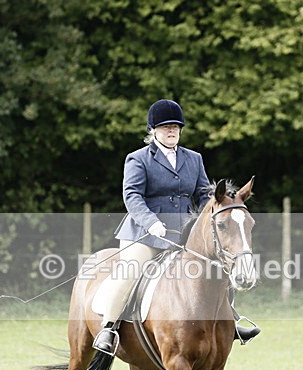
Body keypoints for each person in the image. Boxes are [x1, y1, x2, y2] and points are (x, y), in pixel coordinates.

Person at [92, 99, 260, 354]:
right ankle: (109, 328)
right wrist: (151, 222)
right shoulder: (138, 159)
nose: (171, 131)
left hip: (184, 233)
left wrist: (216, 212)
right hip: (145, 233)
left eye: (176, 127)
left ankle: (232, 321)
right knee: (130, 271)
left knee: (218, 270)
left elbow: (206, 196)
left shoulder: (193, 158)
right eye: (165, 127)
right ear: (153, 130)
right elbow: (132, 196)